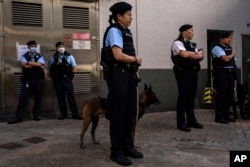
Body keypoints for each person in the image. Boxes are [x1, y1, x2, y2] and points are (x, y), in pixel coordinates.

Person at [102, 2, 143, 166]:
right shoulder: (114, 31)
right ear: (119, 16)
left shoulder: (127, 32)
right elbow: (118, 55)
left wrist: (134, 69)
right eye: (129, 14)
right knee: (119, 112)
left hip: (129, 74)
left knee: (130, 111)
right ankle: (116, 151)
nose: (131, 17)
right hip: (118, 74)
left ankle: (128, 146)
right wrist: (135, 60)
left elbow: (127, 53)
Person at [171, 24, 204, 132]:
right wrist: (196, 53)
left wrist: (196, 54)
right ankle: (181, 123)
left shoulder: (191, 44)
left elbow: (201, 56)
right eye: (191, 31)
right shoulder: (178, 43)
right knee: (183, 97)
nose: (193, 33)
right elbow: (184, 54)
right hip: (183, 72)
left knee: (191, 97)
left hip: (193, 72)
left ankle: (191, 121)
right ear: (184, 32)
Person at [7, 40, 45, 124]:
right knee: (23, 98)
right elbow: (24, 65)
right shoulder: (24, 56)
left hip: (38, 80)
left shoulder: (40, 56)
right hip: (28, 80)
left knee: (38, 98)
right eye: (31, 46)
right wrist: (35, 64)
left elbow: (40, 64)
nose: (33, 48)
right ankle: (19, 117)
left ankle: (36, 115)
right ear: (28, 47)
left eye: (34, 46)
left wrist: (29, 64)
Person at [49, 41, 82, 120]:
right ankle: (63, 114)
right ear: (56, 48)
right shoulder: (54, 57)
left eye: (62, 46)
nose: (61, 48)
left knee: (71, 97)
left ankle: (75, 114)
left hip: (67, 79)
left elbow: (74, 67)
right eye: (59, 47)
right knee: (60, 97)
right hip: (58, 80)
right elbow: (51, 68)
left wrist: (70, 76)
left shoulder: (69, 56)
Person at [212, 32, 236, 124]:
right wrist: (233, 54)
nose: (229, 39)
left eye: (230, 38)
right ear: (221, 39)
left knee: (228, 94)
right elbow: (225, 59)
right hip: (221, 72)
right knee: (221, 94)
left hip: (230, 72)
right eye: (227, 38)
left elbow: (232, 60)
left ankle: (226, 114)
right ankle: (219, 116)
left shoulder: (229, 48)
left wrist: (231, 56)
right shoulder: (217, 48)